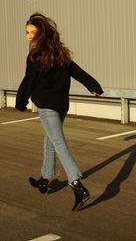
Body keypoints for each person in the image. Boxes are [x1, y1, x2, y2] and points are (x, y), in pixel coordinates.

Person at [15, 13, 103, 211]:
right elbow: (76, 71)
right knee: (49, 142)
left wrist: (21, 101)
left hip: (47, 107)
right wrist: (93, 85)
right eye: (27, 32)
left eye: (32, 33)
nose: (28, 36)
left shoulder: (35, 55)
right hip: (61, 105)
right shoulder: (59, 52)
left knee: (58, 143)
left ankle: (77, 184)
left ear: (42, 34)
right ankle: (45, 179)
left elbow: (29, 80)